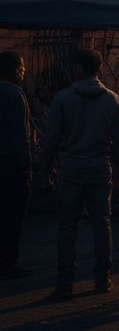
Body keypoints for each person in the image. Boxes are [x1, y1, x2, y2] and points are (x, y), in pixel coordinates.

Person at [43, 49, 119, 301]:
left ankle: (65, 283)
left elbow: (52, 138)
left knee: (68, 225)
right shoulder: (112, 100)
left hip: (71, 168)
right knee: (101, 223)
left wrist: (48, 166)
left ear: (78, 67)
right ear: (99, 69)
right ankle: (103, 279)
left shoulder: (63, 99)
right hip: (100, 168)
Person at [0, 52, 32, 280]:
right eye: (21, 67)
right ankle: (8, 263)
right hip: (9, 163)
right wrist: (26, 163)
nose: (24, 71)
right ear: (13, 70)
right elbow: (20, 134)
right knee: (11, 215)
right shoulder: (14, 94)